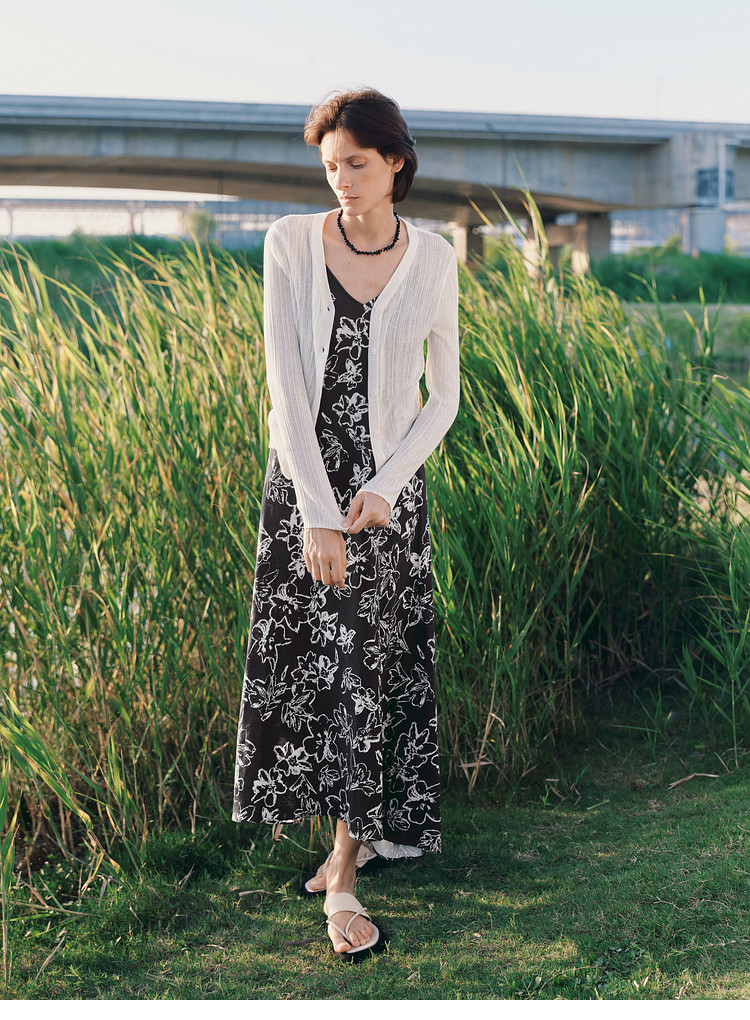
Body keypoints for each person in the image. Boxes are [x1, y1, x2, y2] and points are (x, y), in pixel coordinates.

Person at [231, 87, 460, 960]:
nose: (342, 180)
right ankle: (338, 851)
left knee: (372, 667)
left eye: (356, 163)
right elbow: (284, 383)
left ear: (395, 161)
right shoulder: (289, 242)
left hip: (388, 501)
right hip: (306, 487)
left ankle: (345, 873)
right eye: (330, 166)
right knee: (316, 670)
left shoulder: (434, 258)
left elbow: (444, 395)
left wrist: (389, 485)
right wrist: (319, 513)